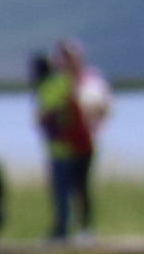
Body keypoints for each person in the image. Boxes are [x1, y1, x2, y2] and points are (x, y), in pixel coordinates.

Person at [34, 43, 103, 241]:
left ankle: (83, 229)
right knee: (64, 191)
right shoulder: (56, 82)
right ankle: (65, 230)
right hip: (62, 145)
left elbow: (99, 107)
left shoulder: (87, 80)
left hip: (80, 143)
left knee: (80, 188)